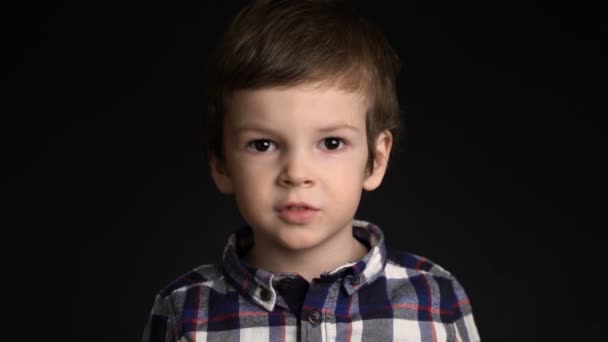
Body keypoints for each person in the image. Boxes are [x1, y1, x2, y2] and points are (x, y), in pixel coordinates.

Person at [142, 0, 480, 341]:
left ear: (375, 161)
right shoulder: (186, 311)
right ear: (220, 164)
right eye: (263, 145)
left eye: (331, 143)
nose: (297, 173)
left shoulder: (435, 301)